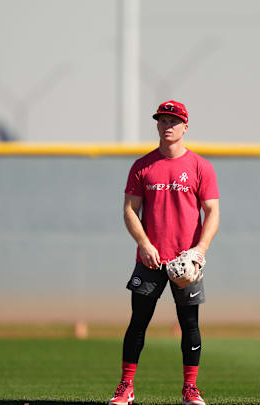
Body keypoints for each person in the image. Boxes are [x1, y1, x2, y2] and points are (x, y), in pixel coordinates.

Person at [109, 100, 220, 405]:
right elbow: (130, 210)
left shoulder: (200, 166)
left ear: (185, 127)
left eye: (174, 121)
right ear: (157, 125)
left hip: (186, 264)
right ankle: (126, 387)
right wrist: (144, 243)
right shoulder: (142, 166)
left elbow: (212, 212)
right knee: (138, 323)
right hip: (150, 261)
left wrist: (199, 250)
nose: (167, 125)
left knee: (190, 325)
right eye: (162, 120)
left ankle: (190, 389)